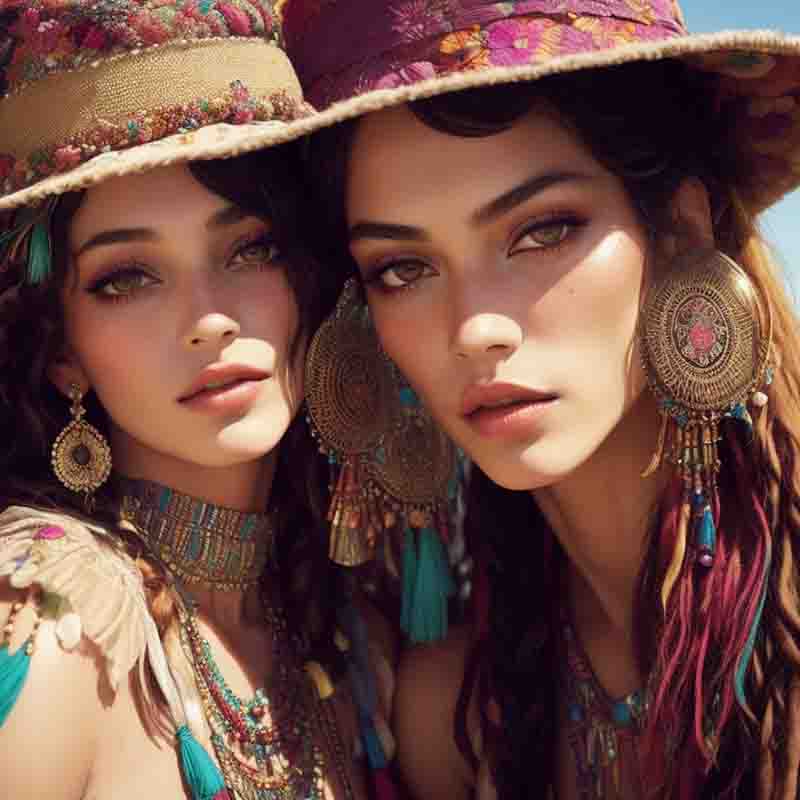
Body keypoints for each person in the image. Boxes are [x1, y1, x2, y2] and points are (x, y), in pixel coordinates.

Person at [284, 1, 800, 797]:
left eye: (541, 231)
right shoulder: (452, 718)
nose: (476, 329)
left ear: (680, 231)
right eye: (402, 268)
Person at [0, 2, 419, 798]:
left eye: (250, 248)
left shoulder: (346, 640)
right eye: (129, 277)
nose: (210, 320)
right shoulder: (48, 623)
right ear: (62, 351)